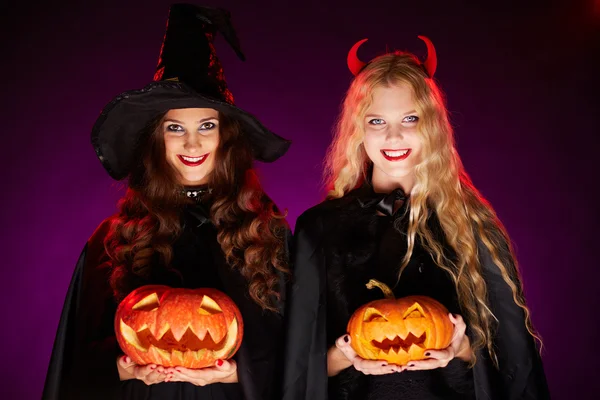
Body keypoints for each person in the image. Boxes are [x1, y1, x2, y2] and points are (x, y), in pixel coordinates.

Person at [42, 4, 291, 400]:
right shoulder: (113, 237)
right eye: (175, 128)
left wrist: (227, 375)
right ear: (156, 139)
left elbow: (296, 355)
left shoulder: (264, 232)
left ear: (226, 137)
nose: (192, 143)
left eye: (206, 126)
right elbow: (78, 360)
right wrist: (124, 368)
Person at [282, 37, 550, 400]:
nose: (393, 135)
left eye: (410, 118)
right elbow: (295, 371)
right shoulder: (320, 229)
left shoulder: (473, 226)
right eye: (377, 120)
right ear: (358, 129)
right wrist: (345, 355)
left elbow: (516, 366)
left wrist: (461, 349)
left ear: (433, 126)